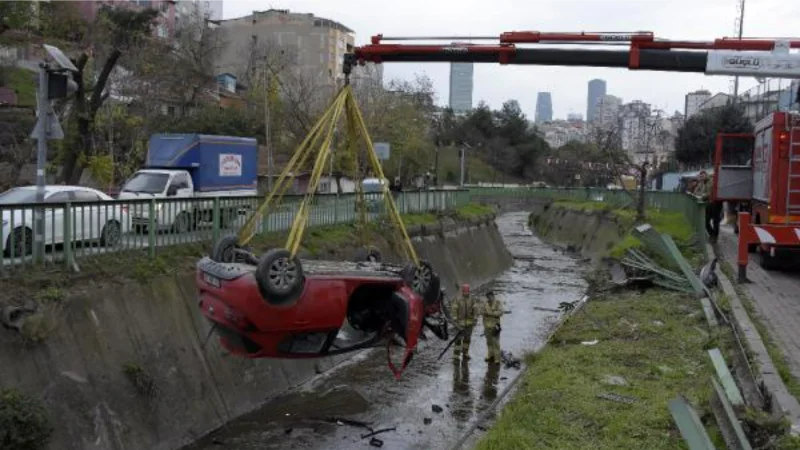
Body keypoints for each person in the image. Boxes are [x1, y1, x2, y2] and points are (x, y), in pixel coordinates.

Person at [694, 171, 723, 242]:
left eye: (703, 176)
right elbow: (695, 192)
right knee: (706, 221)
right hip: (708, 203)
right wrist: (702, 194)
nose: (702, 177)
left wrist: (702, 194)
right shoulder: (701, 183)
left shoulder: (711, 181)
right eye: (700, 176)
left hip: (715, 203)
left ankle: (715, 236)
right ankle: (712, 234)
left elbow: (709, 193)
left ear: (706, 175)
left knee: (715, 221)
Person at [451, 284, 477, 360]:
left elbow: (475, 309)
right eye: (465, 292)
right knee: (458, 340)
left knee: (467, 339)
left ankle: (465, 353)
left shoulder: (472, 299)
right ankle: (456, 355)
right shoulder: (458, 299)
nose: (466, 294)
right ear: (462, 292)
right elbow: (454, 309)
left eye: (467, 292)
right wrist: (455, 319)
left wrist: (475, 318)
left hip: (469, 323)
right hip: (460, 324)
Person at [482, 290, 504, 364]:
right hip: (487, 326)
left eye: (490, 296)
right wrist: (484, 327)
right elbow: (483, 315)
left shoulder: (498, 303)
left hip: (495, 326)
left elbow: (501, 312)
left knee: (495, 342)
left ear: (493, 296)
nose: (489, 298)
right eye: (487, 297)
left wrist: (491, 313)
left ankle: (497, 358)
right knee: (489, 342)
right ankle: (490, 355)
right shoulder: (485, 304)